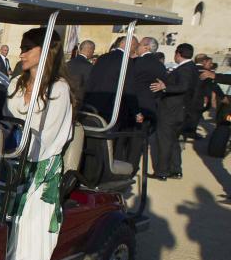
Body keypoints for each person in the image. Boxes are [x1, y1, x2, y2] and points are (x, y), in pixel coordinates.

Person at [3, 27, 75, 260]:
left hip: (38, 161)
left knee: (28, 207)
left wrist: (16, 148)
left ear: (46, 52)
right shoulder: (16, 84)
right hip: (11, 157)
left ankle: (22, 259)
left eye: (27, 48)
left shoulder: (59, 90)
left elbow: (49, 135)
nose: (20, 53)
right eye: (21, 47)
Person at [149, 42, 197, 180]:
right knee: (174, 141)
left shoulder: (185, 69)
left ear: (178, 53)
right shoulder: (191, 67)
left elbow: (183, 86)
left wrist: (165, 87)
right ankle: (175, 169)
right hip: (180, 111)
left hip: (171, 111)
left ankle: (162, 171)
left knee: (164, 141)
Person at [83, 35, 139, 128]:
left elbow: (92, 79)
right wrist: (136, 111)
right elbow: (128, 87)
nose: (134, 50)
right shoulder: (127, 61)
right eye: (134, 47)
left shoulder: (103, 57)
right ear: (128, 45)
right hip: (111, 106)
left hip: (94, 102)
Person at [131, 37, 168, 170]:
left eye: (139, 45)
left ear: (146, 47)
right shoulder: (160, 65)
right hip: (150, 107)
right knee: (139, 142)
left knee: (128, 140)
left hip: (133, 106)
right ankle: (134, 166)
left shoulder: (136, 62)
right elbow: (162, 86)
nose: (137, 47)